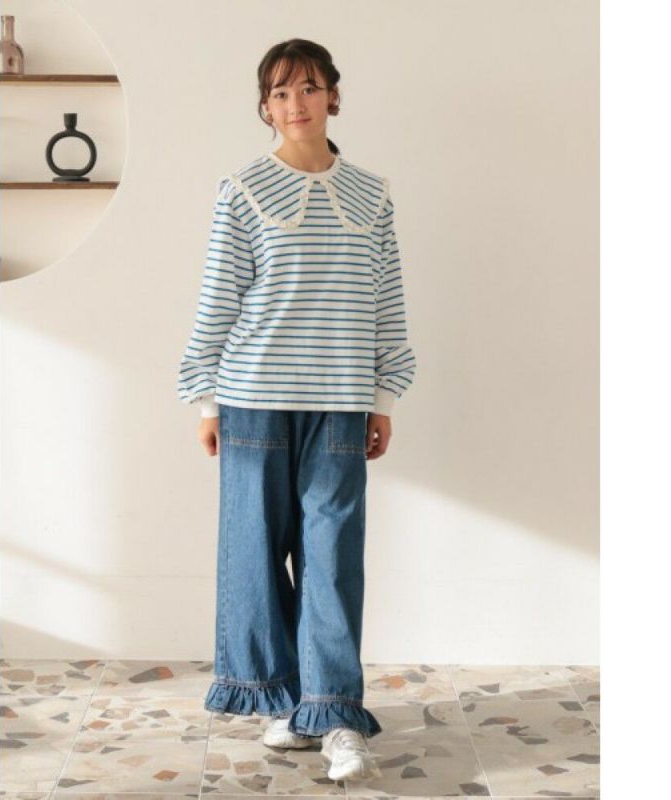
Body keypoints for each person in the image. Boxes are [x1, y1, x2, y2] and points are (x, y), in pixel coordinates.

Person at [177, 38, 416, 782]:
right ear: (265, 107)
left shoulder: (372, 194)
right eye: (279, 93)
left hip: (340, 402)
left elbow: (386, 301)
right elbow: (219, 296)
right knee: (255, 555)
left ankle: (336, 715)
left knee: (331, 560)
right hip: (252, 400)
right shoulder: (242, 189)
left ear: (333, 95)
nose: (295, 104)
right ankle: (288, 701)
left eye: (308, 88)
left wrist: (383, 395)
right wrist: (205, 398)